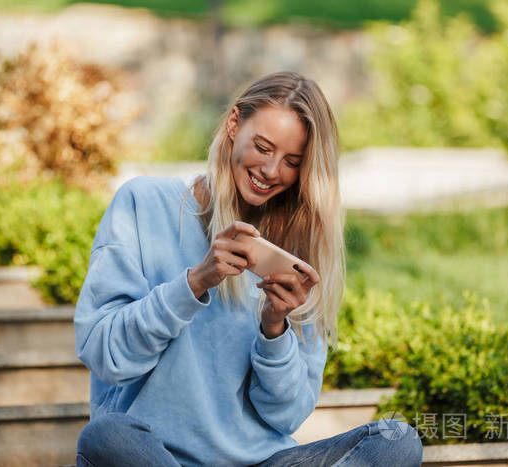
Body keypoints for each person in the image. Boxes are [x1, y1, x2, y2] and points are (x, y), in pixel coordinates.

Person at [74, 71, 423, 466]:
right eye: (262, 146)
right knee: (107, 437)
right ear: (234, 123)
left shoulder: (298, 248)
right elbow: (104, 354)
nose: (272, 171)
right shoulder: (143, 203)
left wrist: (274, 328)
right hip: (155, 456)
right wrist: (193, 283)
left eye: (292, 161)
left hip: (262, 461)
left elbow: (287, 415)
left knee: (396, 440)